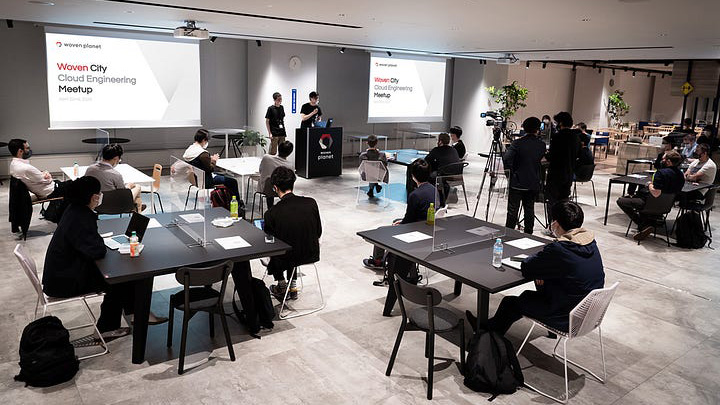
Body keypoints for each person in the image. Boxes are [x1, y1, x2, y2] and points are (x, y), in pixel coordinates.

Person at [42, 176, 166, 339]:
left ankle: (135, 313)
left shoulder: (74, 210)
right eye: (99, 193)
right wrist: (101, 242)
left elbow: (89, 245)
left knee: (123, 274)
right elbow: (96, 251)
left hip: (60, 273)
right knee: (118, 279)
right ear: (94, 197)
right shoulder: (81, 217)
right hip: (64, 281)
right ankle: (108, 327)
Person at [467, 201, 605, 335]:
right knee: (531, 292)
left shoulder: (560, 249)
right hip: (588, 313)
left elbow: (527, 266)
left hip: (565, 317)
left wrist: (542, 270)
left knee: (510, 303)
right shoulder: (590, 243)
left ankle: (485, 334)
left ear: (555, 223)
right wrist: (543, 271)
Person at [363, 160, 435, 271]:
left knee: (381, 230)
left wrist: (400, 224)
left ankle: (378, 261)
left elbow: (408, 220)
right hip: (428, 226)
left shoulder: (415, 195)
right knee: (396, 220)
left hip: (416, 230)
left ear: (413, 176)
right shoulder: (433, 190)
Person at [264, 167, 322, 300]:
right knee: (294, 242)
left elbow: (270, 242)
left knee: (281, 248)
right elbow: (318, 232)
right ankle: (293, 285)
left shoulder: (272, 213)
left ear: (275, 187)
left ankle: (282, 283)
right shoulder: (311, 203)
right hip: (311, 253)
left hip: (286, 258)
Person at [617, 150, 685, 241]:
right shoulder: (681, 175)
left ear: (668, 161)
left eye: (663, 158)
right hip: (667, 206)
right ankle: (647, 224)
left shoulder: (660, 173)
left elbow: (656, 193)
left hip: (651, 203)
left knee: (621, 201)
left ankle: (643, 224)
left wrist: (649, 184)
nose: (661, 160)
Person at [503, 117, 547, 234]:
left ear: (524, 127)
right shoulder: (541, 145)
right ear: (538, 129)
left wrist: (511, 173)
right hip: (533, 181)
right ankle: (529, 234)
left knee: (513, 210)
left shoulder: (517, 143)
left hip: (517, 181)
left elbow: (507, 159)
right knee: (529, 209)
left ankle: (509, 233)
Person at [544, 112, 581, 226]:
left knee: (553, 201)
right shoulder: (576, 137)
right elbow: (578, 154)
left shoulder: (558, 136)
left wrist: (546, 154)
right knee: (564, 202)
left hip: (556, 174)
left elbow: (552, 156)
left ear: (560, 123)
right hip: (569, 174)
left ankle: (553, 225)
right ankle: (564, 226)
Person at [85, 144, 144, 213]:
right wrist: (129, 186)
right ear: (115, 158)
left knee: (136, 200)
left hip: (94, 204)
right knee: (137, 187)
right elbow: (123, 192)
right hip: (114, 205)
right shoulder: (115, 174)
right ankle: (138, 211)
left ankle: (137, 207)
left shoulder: (90, 169)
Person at [182, 129, 240, 199]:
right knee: (233, 181)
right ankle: (237, 203)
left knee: (223, 176)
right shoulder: (203, 153)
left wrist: (209, 159)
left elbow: (199, 163)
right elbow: (210, 169)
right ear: (204, 140)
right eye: (207, 140)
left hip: (195, 179)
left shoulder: (190, 150)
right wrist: (214, 160)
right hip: (206, 180)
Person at [258, 140, 294, 209]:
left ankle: (270, 208)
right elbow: (291, 181)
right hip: (283, 191)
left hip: (265, 189)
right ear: (289, 153)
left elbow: (260, 170)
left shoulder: (266, 158)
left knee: (270, 185)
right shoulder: (290, 166)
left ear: (278, 148)